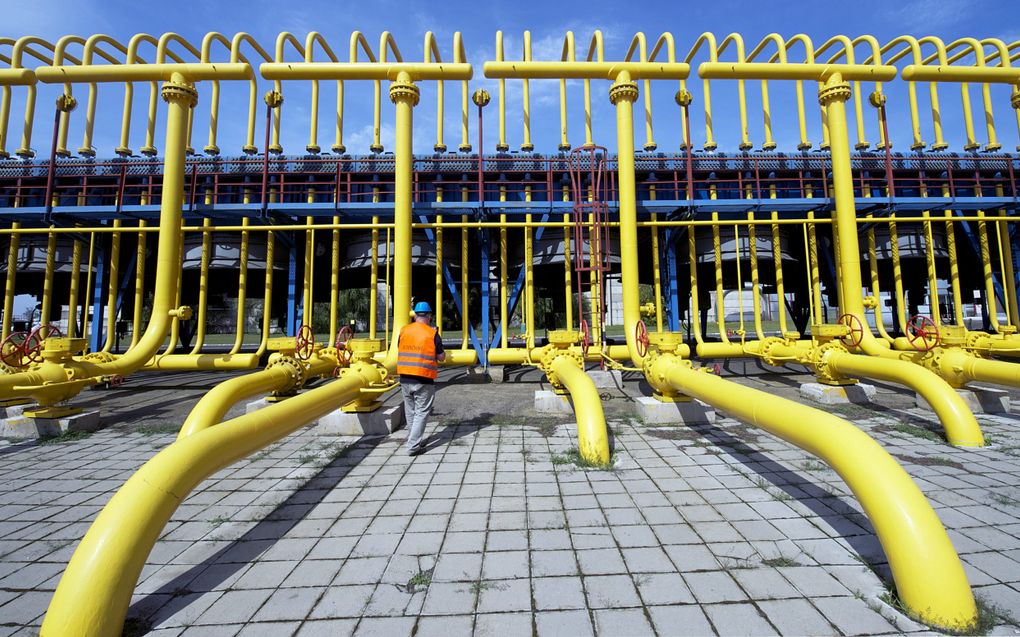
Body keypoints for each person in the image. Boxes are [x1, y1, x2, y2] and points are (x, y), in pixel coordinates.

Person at [397, 301, 446, 455]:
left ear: (415, 314)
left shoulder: (404, 330)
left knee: (411, 412)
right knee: (421, 413)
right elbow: (441, 357)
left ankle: (414, 439)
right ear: (429, 316)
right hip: (423, 379)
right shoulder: (432, 333)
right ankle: (412, 446)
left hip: (405, 378)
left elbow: (401, 348)